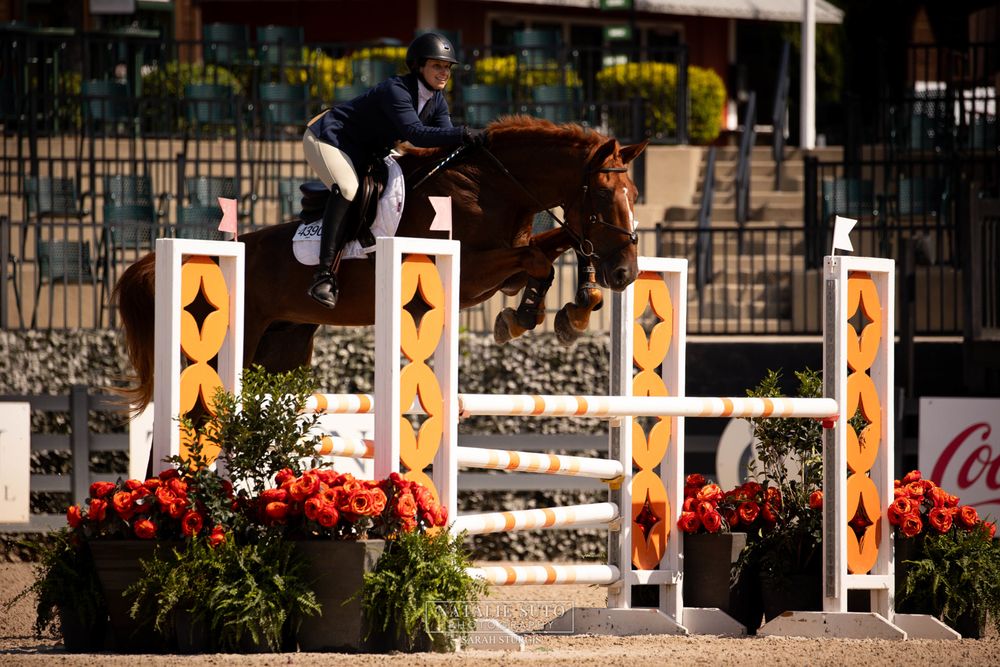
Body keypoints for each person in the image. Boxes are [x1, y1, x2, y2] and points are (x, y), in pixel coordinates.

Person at [302, 32, 487, 309]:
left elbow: (443, 141)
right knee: (348, 188)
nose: (444, 72)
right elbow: (416, 135)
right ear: (419, 66)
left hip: (369, 151)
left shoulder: (437, 100)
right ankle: (324, 276)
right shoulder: (396, 90)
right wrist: (464, 133)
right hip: (330, 139)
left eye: (447, 67)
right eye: (437, 66)